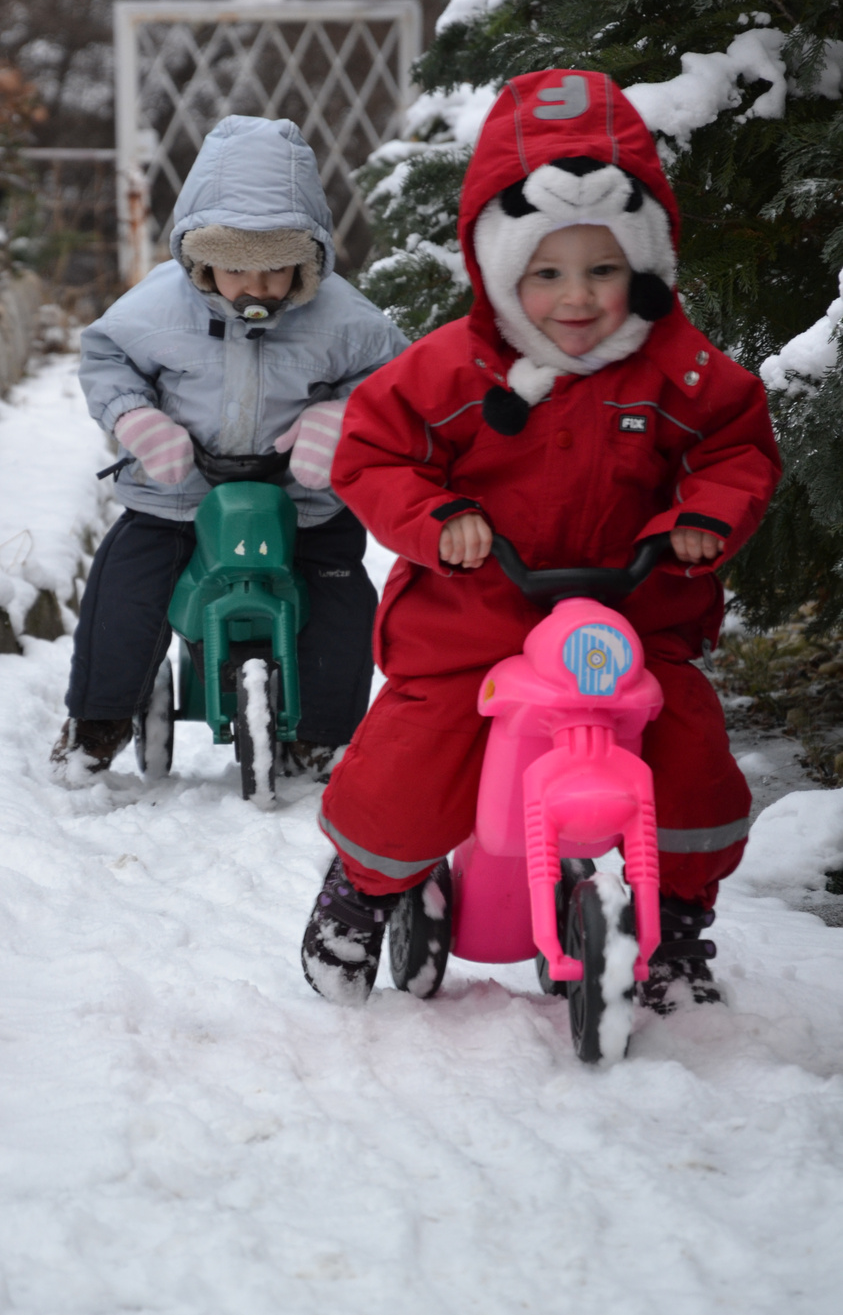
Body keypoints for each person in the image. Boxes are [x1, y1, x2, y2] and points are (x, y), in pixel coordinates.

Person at [301, 68, 781, 1014]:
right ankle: (363, 888)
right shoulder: (451, 367)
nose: (576, 298)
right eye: (546, 272)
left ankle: (678, 923)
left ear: (645, 265)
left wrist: (695, 522)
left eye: (603, 269)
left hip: (631, 617)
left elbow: (735, 448)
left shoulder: (679, 368)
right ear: (495, 267)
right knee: (414, 757)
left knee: (688, 758)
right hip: (473, 615)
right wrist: (442, 523)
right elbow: (373, 452)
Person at [51, 114, 408, 781]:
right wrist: (136, 419)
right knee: (125, 584)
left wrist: (342, 417)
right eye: (236, 270)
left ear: (310, 258)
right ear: (198, 256)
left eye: (277, 271)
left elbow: (393, 377)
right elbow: (106, 357)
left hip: (301, 498)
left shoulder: (343, 317)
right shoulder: (157, 308)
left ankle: (327, 734)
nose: (257, 289)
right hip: (178, 492)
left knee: (338, 596)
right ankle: (98, 718)